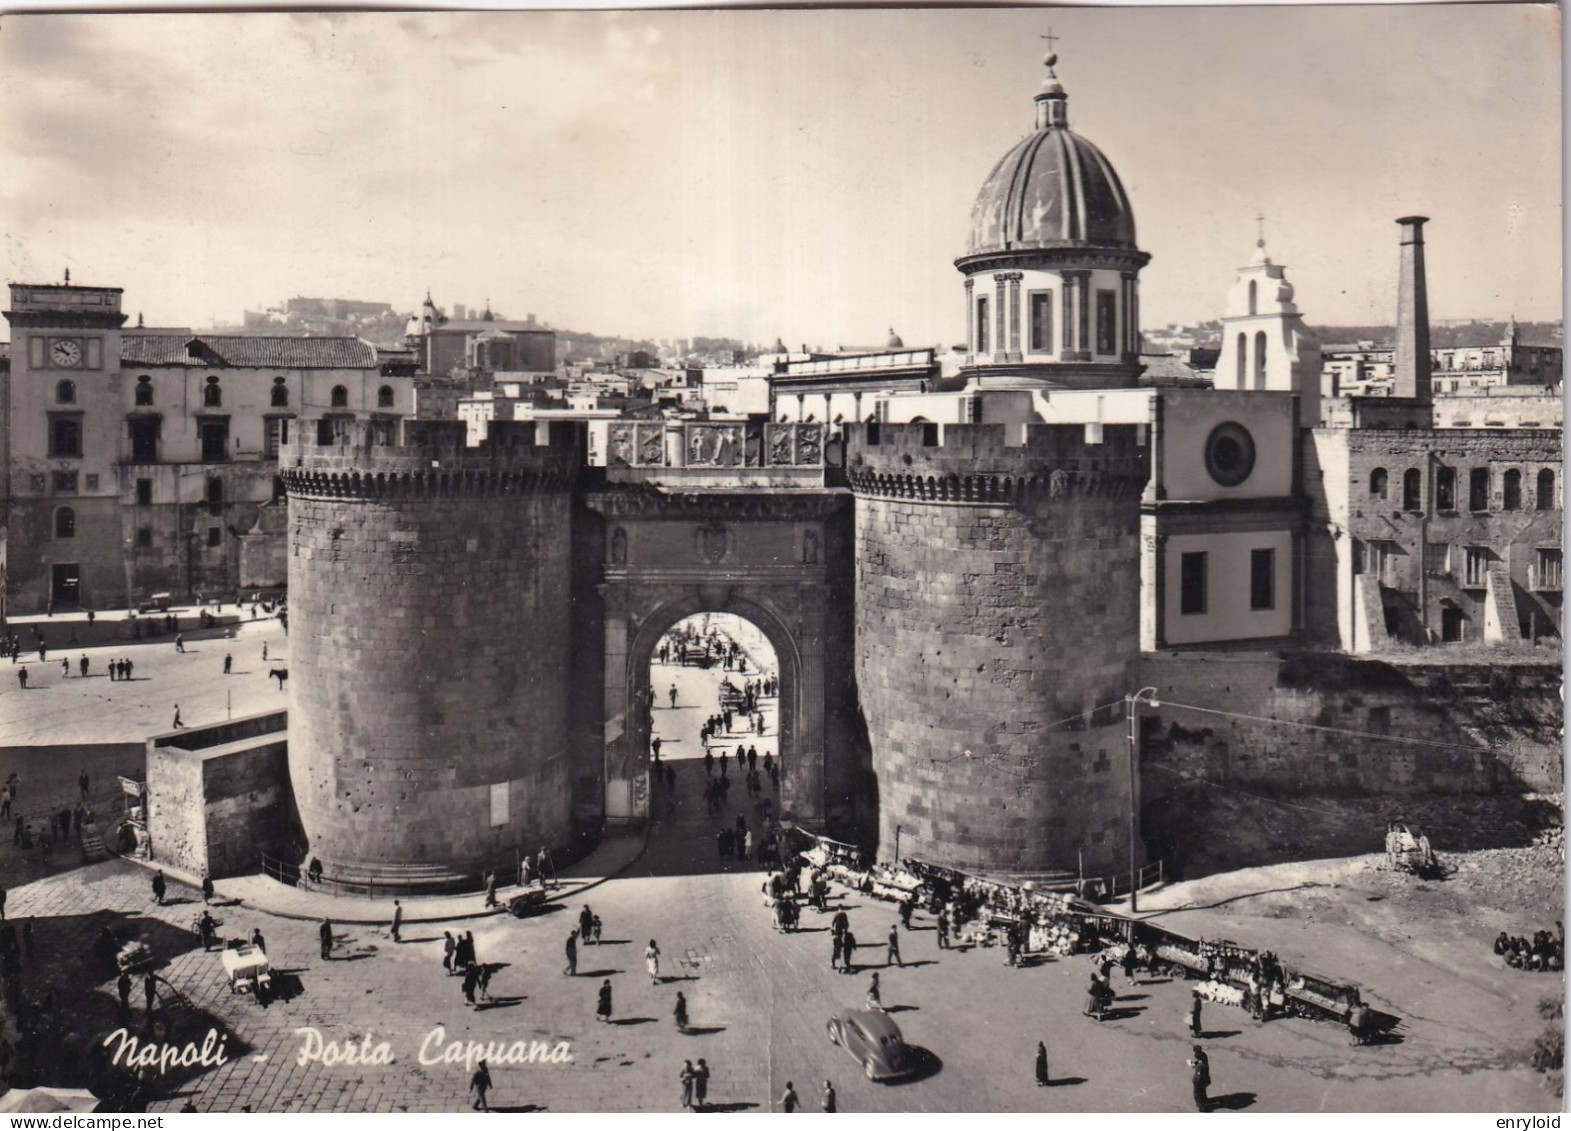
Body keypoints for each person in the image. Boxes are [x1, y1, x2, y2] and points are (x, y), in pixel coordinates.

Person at [1188, 1046, 1211, 1111]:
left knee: (1198, 1094)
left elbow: (1198, 1075)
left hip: (1200, 1081)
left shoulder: (1200, 1066)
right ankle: (1205, 1101)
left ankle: (1202, 1106)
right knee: (1203, 1092)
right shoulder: (1204, 1056)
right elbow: (1197, 1063)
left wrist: (1195, 1080)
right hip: (1205, 1079)